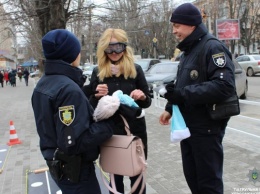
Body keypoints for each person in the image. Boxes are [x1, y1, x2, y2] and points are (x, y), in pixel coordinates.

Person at [159, 3, 236, 194]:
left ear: (191, 25)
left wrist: (182, 95)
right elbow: (182, 84)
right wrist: (170, 106)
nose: (174, 31)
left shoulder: (212, 47)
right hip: (189, 127)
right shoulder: (188, 51)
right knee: (194, 179)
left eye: (177, 26)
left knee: (208, 184)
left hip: (207, 129)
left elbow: (224, 86)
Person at [31, 29, 115, 194]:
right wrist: (106, 125)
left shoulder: (43, 84)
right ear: (72, 54)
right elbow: (72, 143)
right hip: (76, 172)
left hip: (60, 167)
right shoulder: (68, 90)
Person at [83, 28, 151, 194]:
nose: (114, 52)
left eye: (118, 47)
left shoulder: (135, 70)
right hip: (110, 132)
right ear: (103, 49)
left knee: (137, 176)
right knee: (115, 178)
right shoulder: (98, 72)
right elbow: (91, 108)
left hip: (134, 131)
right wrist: (95, 94)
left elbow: (147, 101)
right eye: (109, 48)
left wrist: (141, 97)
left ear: (125, 47)